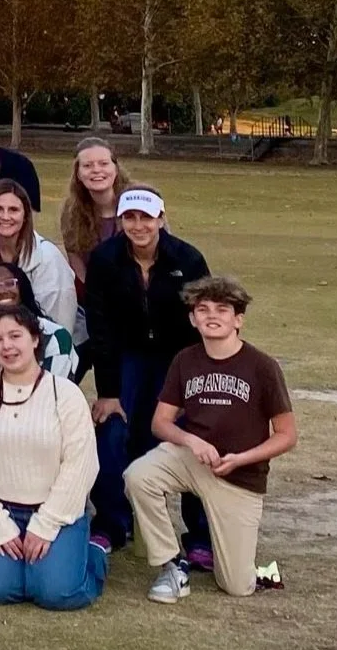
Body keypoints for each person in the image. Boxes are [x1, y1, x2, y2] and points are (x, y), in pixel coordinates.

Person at [126, 275, 295, 603]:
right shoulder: (185, 359)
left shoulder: (262, 366)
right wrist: (192, 441)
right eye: (202, 309)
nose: (211, 316)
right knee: (139, 475)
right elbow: (161, 423)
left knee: (236, 585)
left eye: (222, 309)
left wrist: (242, 458)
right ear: (192, 318)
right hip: (192, 459)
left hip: (239, 475)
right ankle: (172, 565)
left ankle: (253, 570)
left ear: (238, 319)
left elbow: (287, 435)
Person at [84, 187, 211, 553]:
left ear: (160, 218)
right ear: (121, 220)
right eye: (130, 218)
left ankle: (200, 533)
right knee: (113, 430)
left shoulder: (188, 258)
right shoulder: (105, 259)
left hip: (178, 357)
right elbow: (100, 325)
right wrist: (108, 391)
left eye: (146, 217)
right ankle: (111, 522)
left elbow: (200, 321)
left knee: (188, 431)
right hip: (125, 356)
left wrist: (192, 385)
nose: (138, 226)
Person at [0, 308, 105, 609]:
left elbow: (81, 464)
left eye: (15, 336)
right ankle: (22, 568)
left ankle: (92, 557)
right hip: (1, 509)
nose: (6, 346)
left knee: (56, 594)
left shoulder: (65, 394)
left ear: (35, 339)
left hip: (55, 511)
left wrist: (46, 524)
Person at [0, 182, 76, 334]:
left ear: (25, 216)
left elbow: (60, 323)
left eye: (13, 210)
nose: (5, 216)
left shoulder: (48, 256)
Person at [0, 262, 79, 382]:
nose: (2, 291)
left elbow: (53, 391)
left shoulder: (55, 336)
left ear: (23, 289)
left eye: (10, 283)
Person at [59, 136, 130, 287]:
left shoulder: (138, 201)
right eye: (87, 165)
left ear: (115, 169)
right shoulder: (71, 211)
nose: (96, 170)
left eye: (104, 163)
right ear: (78, 173)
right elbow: (75, 258)